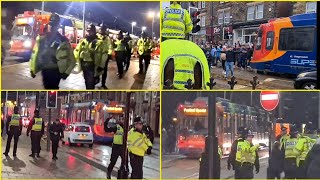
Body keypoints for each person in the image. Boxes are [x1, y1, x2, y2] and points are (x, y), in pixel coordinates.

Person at [30, 13, 76, 89]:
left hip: (56, 71)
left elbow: (72, 60)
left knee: (52, 88)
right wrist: (32, 69)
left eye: (54, 25)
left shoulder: (64, 41)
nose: (51, 27)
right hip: (44, 70)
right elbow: (34, 55)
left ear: (58, 26)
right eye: (50, 24)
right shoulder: (41, 40)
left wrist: (66, 73)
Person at [74, 24, 105, 89]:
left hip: (92, 65)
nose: (89, 32)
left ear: (94, 31)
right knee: (87, 81)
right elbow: (76, 51)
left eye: (91, 31)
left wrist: (101, 66)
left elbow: (103, 55)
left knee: (90, 83)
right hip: (84, 64)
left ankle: (90, 93)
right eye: (88, 31)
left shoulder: (99, 42)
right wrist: (77, 60)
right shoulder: (83, 41)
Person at [97, 23, 113, 89]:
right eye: (100, 28)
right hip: (96, 56)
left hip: (104, 56)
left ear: (105, 30)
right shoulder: (96, 36)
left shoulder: (107, 38)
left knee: (104, 70)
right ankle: (96, 79)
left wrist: (109, 54)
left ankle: (103, 83)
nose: (101, 30)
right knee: (96, 69)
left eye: (103, 29)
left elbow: (110, 47)